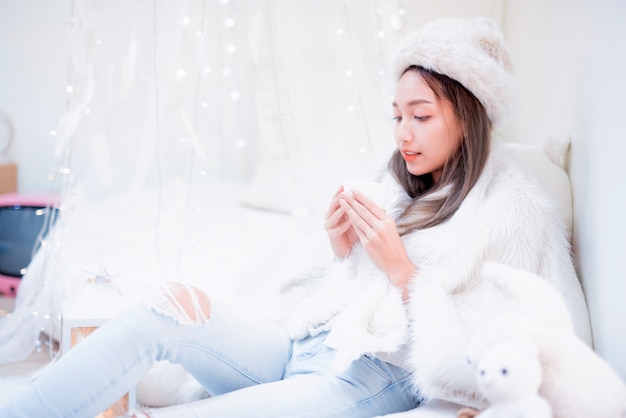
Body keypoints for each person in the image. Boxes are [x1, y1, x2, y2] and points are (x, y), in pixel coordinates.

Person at [0, 16, 592, 418]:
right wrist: (341, 251)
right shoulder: (399, 183)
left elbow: (524, 352)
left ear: (469, 112)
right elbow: (343, 298)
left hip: (364, 381)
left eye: (420, 116)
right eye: (396, 116)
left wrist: (403, 273)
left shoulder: (515, 214)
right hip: (304, 349)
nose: (403, 134)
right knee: (166, 307)